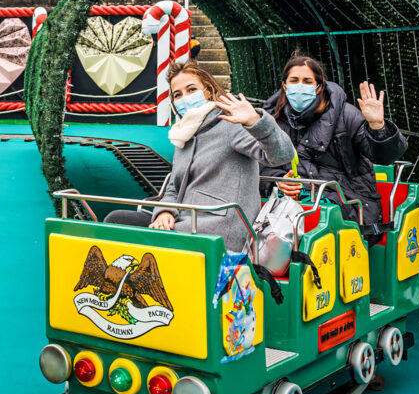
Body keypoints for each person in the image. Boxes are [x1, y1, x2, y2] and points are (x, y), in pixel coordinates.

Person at [103, 62, 294, 253]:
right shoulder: (184, 135)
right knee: (116, 220)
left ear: (208, 92)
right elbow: (173, 188)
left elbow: (282, 155)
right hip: (185, 221)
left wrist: (255, 121)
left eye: (191, 89)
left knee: (134, 236)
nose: (185, 98)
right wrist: (165, 212)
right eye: (178, 94)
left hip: (218, 226)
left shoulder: (230, 125)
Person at [260, 55, 407, 238]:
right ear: (284, 86)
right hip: (289, 207)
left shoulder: (346, 115)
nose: (300, 87)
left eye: (307, 81)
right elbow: (260, 166)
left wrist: (378, 127)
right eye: (294, 80)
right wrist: (279, 181)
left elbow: (384, 157)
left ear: (319, 86)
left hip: (349, 205)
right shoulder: (273, 119)